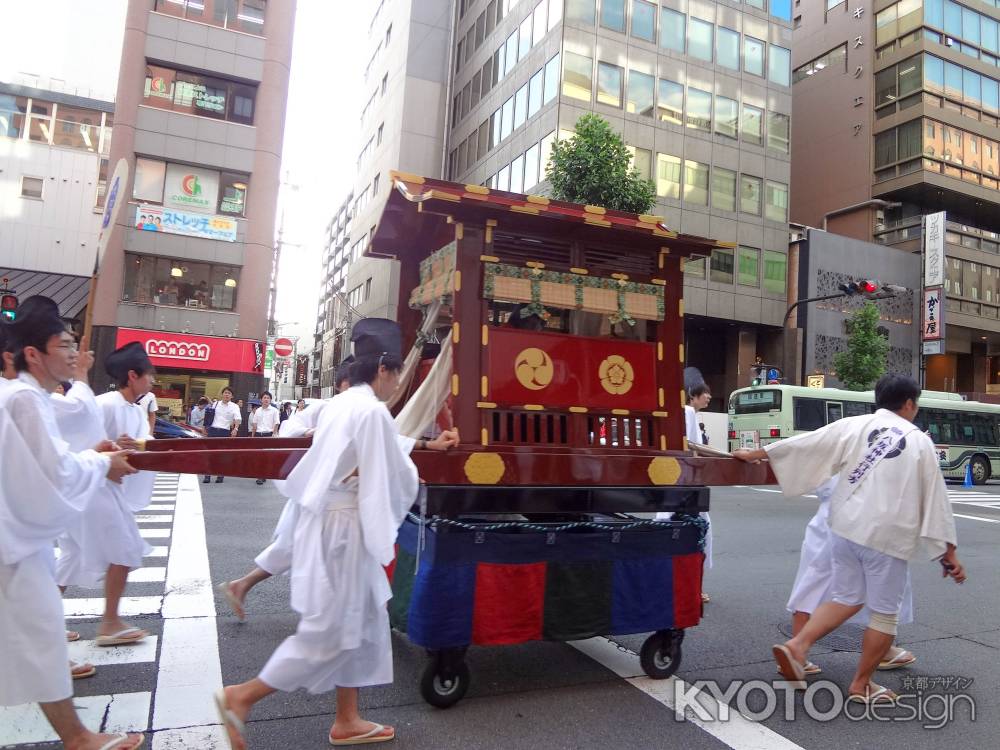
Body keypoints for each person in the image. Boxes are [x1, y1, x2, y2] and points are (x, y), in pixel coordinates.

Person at [215, 320, 458, 748]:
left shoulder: (345, 404)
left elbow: (384, 449)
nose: (398, 382)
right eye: (398, 372)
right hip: (342, 531)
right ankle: (241, 697)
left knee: (362, 621)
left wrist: (416, 451)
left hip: (334, 522)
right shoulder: (368, 411)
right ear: (384, 369)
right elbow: (394, 469)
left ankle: (347, 718)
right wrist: (424, 458)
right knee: (329, 632)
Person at [735, 374, 965, 705]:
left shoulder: (855, 425)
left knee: (846, 596)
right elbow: (935, 499)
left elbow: (808, 443)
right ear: (910, 404)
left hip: (844, 530)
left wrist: (758, 453)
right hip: (886, 536)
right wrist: (949, 552)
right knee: (885, 613)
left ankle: (797, 646)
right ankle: (861, 684)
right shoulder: (919, 441)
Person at [0, 298, 144, 750]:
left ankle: (75, 734)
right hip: (14, 541)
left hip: (17, 536)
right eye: (63, 345)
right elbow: (56, 474)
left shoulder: (29, 397)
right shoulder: (24, 397)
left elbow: (54, 457)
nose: (73, 355)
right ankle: (77, 736)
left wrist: (97, 456)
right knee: (41, 635)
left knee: (35, 636)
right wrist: (102, 463)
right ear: (31, 355)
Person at [218, 357, 457, 620]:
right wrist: (315, 432)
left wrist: (424, 447)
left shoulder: (357, 408)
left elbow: (387, 440)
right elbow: (291, 429)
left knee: (298, 549)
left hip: (332, 501)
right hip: (322, 497)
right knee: (301, 552)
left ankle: (246, 587)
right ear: (344, 383)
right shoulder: (330, 407)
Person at [56, 342, 158, 647]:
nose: (152, 381)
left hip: (106, 489)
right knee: (124, 549)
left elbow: (142, 444)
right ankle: (109, 623)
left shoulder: (136, 410)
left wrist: (136, 445)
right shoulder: (106, 403)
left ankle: (42, 623)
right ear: (132, 375)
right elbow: (78, 441)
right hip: (94, 489)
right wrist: (112, 447)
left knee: (72, 557)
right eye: (148, 375)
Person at [785, 476, 916, 677]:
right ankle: (872, 663)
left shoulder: (845, 444)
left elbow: (802, 446)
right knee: (878, 591)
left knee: (818, 581)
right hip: (868, 515)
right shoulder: (892, 443)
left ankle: (797, 650)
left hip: (835, 512)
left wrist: (759, 454)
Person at [657, 383, 713, 603]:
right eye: (705, 393)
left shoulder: (684, 414)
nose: (708, 396)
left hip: (678, 483)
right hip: (685, 485)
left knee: (681, 533)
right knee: (698, 535)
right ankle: (693, 590)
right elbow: (691, 448)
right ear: (693, 396)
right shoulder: (688, 412)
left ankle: (684, 587)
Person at [204, 386, 242, 484]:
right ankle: (207, 475)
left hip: (224, 432)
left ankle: (220, 475)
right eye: (225, 392)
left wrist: (235, 429)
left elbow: (238, 418)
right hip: (212, 431)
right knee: (210, 454)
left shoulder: (234, 406)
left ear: (232, 396)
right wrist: (205, 428)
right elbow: (208, 416)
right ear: (222, 394)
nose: (226, 394)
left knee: (222, 455)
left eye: (229, 393)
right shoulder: (216, 404)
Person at [250, 392, 280, 485]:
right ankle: (260, 475)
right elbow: (254, 424)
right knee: (259, 456)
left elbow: (276, 423)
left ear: (270, 400)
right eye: (264, 398)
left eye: (268, 398)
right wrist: (253, 436)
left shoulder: (274, 410)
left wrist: (274, 434)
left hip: (269, 435)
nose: (266, 399)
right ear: (261, 399)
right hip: (259, 434)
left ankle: (263, 474)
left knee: (266, 456)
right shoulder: (258, 410)